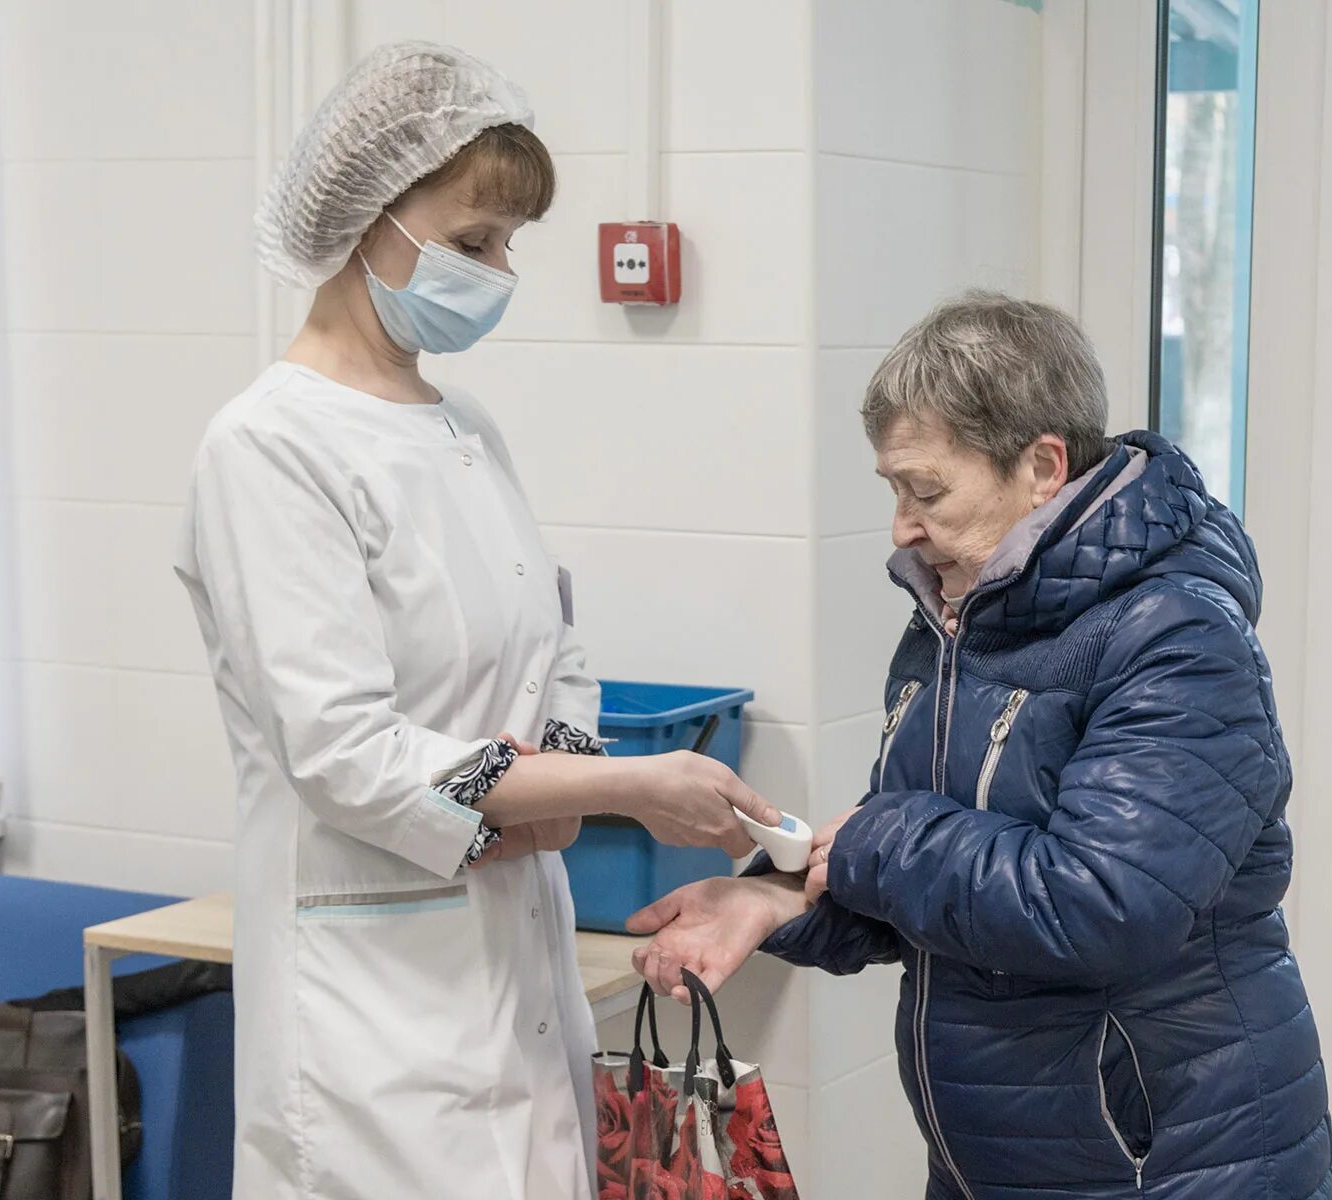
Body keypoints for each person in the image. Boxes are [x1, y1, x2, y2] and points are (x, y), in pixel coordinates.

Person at [174, 43, 779, 1200]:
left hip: (512, 965)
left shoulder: (463, 433)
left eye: (508, 245)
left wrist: (560, 792)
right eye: (470, 242)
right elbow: (347, 754)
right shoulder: (268, 449)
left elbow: (560, 664)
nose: (499, 272)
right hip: (369, 1006)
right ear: (364, 220)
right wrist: (612, 792)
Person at [631, 293, 1332, 1198]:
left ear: (1043, 467)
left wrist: (872, 841)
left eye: (926, 491)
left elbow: (1099, 904)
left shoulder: (1176, 637)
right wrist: (777, 901)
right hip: (1001, 1158)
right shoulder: (958, 616)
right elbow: (949, 888)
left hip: (1164, 1160)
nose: (902, 526)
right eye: (894, 490)